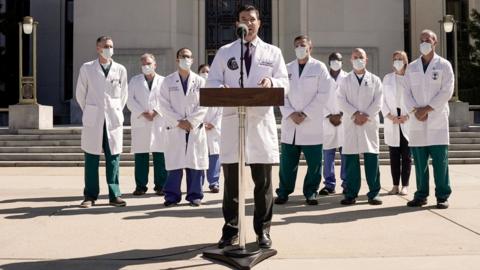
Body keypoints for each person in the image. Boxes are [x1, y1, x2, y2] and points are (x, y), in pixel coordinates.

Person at [206, 4, 288, 249]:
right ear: (237, 24)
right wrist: (221, 89)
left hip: (260, 122)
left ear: (259, 23)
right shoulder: (225, 51)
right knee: (231, 181)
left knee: (263, 183)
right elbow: (212, 81)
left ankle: (262, 231)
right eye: (243, 19)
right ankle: (231, 229)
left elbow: (285, 82)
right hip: (233, 121)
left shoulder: (273, 53)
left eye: (252, 19)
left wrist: (271, 81)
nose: (248, 23)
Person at [274, 35, 333, 206]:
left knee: (314, 164)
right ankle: (284, 192)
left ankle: (311, 192)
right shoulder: (287, 68)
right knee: (287, 163)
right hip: (290, 123)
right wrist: (291, 113)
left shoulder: (319, 68)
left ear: (310, 48)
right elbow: (280, 94)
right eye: (297, 45)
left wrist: (305, 113)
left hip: (311, 124)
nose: (300, 48)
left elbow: (323, 94)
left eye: (303, 45)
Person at [403, 29, 454, 209]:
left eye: (428, 39)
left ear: (435, 42)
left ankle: (442, 195)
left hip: (436, 119)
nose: (424, 42)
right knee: (420, 163)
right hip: (417, 120)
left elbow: (447, 91)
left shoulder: (444, 65)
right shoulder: (412, 67)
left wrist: (427, 110)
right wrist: (417, 111)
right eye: (421, 39)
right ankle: (421, 195)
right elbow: (406, 92)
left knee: (440, 162)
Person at [76, 36, 128, 208]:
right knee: (91, 158)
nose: (109, 49)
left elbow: (123, 95)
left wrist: (113, 110)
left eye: (111, 46)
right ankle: (90, 196)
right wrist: (91, 110)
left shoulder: (120, 69)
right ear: (98, 48)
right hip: (94, 118)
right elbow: (80, 94)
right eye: (106, 46)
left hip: (112, 119)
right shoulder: (87, 68)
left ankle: (115, 195)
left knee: (113, 158)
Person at [158, 48, 208, 207]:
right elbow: (163, 105)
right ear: (177, 59)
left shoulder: (200, 81)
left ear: (192, 60)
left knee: (194, 163)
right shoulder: (168, 81)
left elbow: (205, 104)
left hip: (194, 128)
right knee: (175, 164)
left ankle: (194, 196)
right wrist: (179, 122)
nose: (185, 59)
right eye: (182, 56)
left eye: (188, 56)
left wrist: (191, 122)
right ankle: (171, 196)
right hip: (176, 127)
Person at [337, 48, 383, 206]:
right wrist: (355, 114)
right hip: (351, 123)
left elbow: (379, 101)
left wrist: (366, 116)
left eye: (361, 57)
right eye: (355, 57)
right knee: (351, 162)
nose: (358, 60)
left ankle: (374, 193)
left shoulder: (375, 80)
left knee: (371, 160)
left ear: (366, 59)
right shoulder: (345, 80)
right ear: (350, 60)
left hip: (368, 124)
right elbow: (341, 100)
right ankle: (351, 194)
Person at [127, 53, 168, 196]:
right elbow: (129, 100)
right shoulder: (134, 81)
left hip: (159, 121)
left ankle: (161, 186)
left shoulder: (164, 81)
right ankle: (140, 186)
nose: (146, 66)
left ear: (155, 65)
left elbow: (167, 100)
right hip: (141, 120)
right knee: (141, 156)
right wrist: (143, 113)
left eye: (149, 63)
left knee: (160, 155)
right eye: (144, 64)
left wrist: (155, 112)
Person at [382, 51, 411, 196]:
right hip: (392, 120)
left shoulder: (410, 78)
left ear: (406, 61)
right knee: (394, 156)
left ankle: (405, 185)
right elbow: (382, 100)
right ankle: (395, 185)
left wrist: (408, 116)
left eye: (400, 59)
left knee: (406, 156)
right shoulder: (387, 78)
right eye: (395, 59)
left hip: (407, 120)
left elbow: (415, 99)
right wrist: (389, 116)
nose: (397, 61)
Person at [320, 52, 348, 195]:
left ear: (342, 62)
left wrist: (342, 114)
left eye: (338, 59)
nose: (335, 62)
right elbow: (318, 97)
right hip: (328, 120)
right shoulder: (323, 78)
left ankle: (346, 183)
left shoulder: (348, 78)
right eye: (333, 60)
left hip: (344, 120)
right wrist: (329, 115)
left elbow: (351, 98)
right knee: (328, 154)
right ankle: (329, 184)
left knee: (346, 154)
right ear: (328, 61)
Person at [198, 64, 222, 193]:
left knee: (214, 155)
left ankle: (214, 182)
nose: (206, 73)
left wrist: (213, 123)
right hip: (199, 127)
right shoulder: (195, 88)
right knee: (200, 156)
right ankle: (199, 183)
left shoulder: (216, 89)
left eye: (208, 71)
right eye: (203, 71)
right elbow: (193, 108)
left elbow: (221, 109)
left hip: (213, 129)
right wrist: (200, 123)